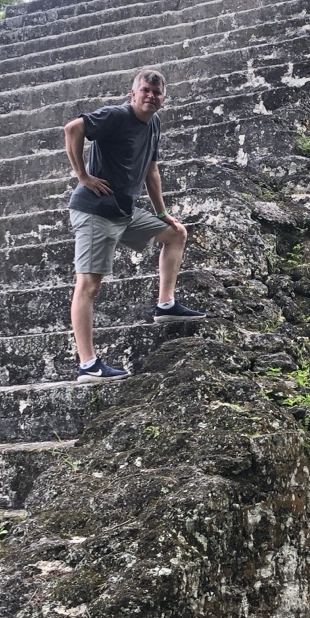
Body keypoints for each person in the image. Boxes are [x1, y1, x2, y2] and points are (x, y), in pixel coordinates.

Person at [63, 66, 204, 382]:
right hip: (95, 211)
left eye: (157, 93)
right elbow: (72, 129)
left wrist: (161, 213)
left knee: (176, 233)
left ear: (163, 99)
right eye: (145, 91)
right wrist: (82, 175)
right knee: (89, 285)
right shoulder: (116, 116)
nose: (151, 96)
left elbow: (151, 171)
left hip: (123, 213)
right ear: (133, 94)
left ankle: (165, 305)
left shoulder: (154, 123)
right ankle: (88, 365)